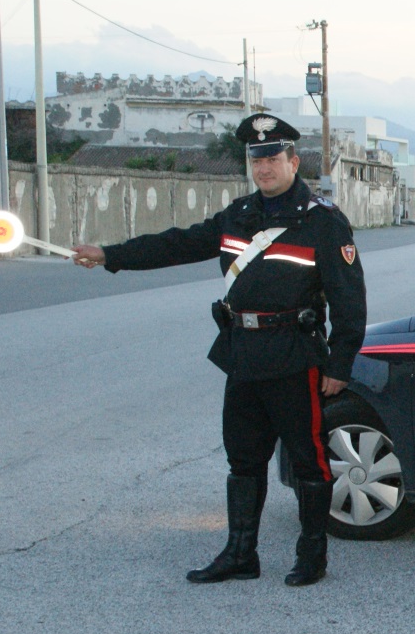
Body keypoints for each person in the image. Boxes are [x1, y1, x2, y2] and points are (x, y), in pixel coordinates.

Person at [72, 114, 367, 587]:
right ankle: (240, 553)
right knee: (243, 460)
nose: (264, 167)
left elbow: (350, 298)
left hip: (294, 357)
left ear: (294, 161)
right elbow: (178, 244)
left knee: (308, 459)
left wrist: (341, 362)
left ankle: (312, 555)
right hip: (243, 354)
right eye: (257, 159)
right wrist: (111, 255)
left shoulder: (323, 223)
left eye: (273, 158)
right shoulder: (238, 216)